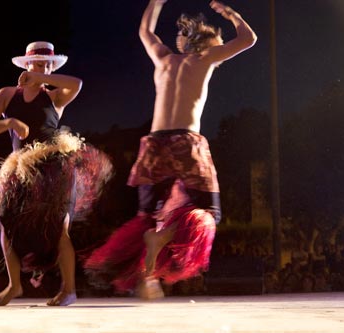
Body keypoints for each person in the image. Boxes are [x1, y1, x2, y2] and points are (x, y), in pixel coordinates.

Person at [84, 0, 257, 299]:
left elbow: (144, 30)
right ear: (207, 45)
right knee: (208, 213)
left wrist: (156, 2)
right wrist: (230, 14)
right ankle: (163, 238)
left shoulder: (163, 58)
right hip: (186, 144)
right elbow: (248, 40)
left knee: (147, 217)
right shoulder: (205, 59)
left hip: (153, 144)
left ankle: (148, 276)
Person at [0, 41, 112, 306]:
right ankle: (14, 285)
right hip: (21, 169)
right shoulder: (7, 94)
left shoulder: (54, 97)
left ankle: (69, 290)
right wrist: (9, 122)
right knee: (6, 220)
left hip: (53, 167)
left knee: (59, 225)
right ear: (26, 64)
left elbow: (77, 83)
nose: (43, 66)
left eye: (47, 64)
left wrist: (40, 78)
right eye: (38, 62)